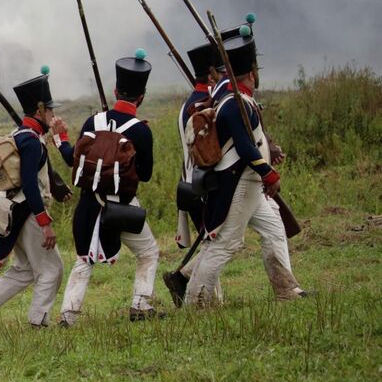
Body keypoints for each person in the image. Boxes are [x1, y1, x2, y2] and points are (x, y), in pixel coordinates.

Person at [186, 28, 308, 305]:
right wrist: (269, 173)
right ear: (252, 72)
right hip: (242, 179)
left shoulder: (234, 99)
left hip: (248, 180)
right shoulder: (235, 103)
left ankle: (286, 289)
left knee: (274, 229)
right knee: (225, 243)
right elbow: (244, 147)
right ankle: (195, 303)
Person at [53, 50, 160, 325]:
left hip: (89, 205)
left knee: (83, 260)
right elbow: (145, 175)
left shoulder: (93, 122)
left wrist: (60, 137)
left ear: (115, 90)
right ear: (142, 96)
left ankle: (68, 316)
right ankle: (141, 306)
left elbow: (71, 160)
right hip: (123, 207)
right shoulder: (141, 131)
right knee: (148, 252)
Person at [0, 67, 64, 334]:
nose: (52, 114)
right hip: (28, 213)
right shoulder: (31, 141)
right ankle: (38, 322)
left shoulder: (22, 135)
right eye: (49, 110)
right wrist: (45, 221)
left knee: (26, 269)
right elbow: (30, 184)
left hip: (15, 212)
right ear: (39, 110)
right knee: (52, 270)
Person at [164, 41, 222, 307]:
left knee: (213, 240)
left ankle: (213, 298)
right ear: (211, 74)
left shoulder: (193, 101)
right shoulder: (203, 106)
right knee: (218, 242)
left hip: (191, 183)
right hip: (203, 184)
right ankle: (185, 281)